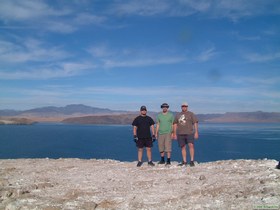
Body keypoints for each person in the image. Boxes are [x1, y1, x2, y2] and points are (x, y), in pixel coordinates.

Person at [173, 102, 199, 167]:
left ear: (187, 107)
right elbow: (175, 124)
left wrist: (196, 132)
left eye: (185, 106)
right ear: (181, 107)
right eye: (183, 106)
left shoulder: (191, 114)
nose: (184, 107)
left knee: (191, 145)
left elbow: (195, 122)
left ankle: (192, 161)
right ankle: (184, 161)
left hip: (189, 133)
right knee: (183, 147)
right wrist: (174, 133)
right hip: (180, 133)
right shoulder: (178, 115)